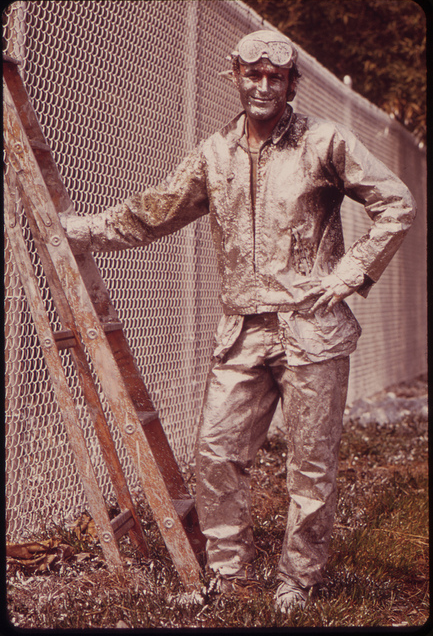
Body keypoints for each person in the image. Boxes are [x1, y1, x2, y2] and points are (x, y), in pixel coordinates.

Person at [61, 30, 416, 612]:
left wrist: (350, 274)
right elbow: (153, 212)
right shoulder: (214, 154)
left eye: (276, 77)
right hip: (242, 332)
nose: (263, 86)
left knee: (310, 461)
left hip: (312, 329)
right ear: (237, 78)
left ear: (291, 84)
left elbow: (395, 203)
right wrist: (81, 231)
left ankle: (299, 581)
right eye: (253, 75)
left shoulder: (323, 142)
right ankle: (230, 576)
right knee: (215, 451)